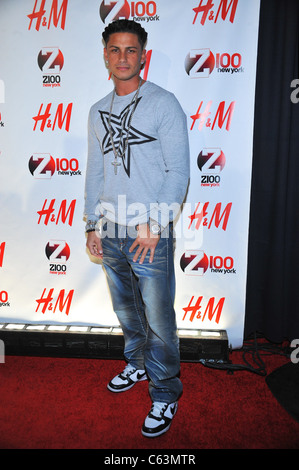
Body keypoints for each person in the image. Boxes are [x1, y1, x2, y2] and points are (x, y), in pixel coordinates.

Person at [84, 19, 190, 438]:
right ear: (105, 55)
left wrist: (156, 223)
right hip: (108, 230)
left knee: (159, 319)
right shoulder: (96, 111)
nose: (122, 57)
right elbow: (94, 173)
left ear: (143, 54)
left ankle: (165, 393)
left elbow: (178, 170)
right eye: (115, 49)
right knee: (126, 310)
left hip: (150, 234)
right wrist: (91, 223)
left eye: (131, 50)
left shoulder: (164, 104)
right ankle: (138, 364)